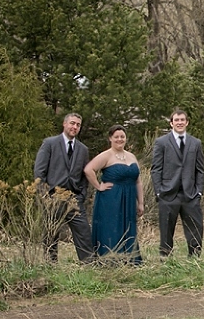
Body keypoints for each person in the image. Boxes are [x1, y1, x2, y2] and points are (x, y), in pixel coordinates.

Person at [33, 113, 94, 263]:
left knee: (84, 232)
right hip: (52, 197)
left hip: (74, 199)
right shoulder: (50, 143)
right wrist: (44, 195)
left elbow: (84, 176)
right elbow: (39, 172)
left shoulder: (83, 149)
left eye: (78, 125)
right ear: (64, 124)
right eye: (72, 123)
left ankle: (88, 265)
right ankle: (50, 265)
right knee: (51, 234)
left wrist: (82, 195)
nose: (75, 127)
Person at [84, 124, 143, 264]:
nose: (119, 139)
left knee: (128, 226)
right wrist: (99, 186)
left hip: (129, 199)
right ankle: (109, 259)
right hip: (111, 198)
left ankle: (128, 258)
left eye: (122, 136)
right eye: (116, 137)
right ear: (110, 138)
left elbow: (138, 182)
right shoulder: (106, 155)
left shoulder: (131, 156)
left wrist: (140, 202)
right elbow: (88, 170)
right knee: (111, 226)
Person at [151, 109, 204, 257]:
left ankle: (194, 260)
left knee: (195, 229)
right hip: (168, 194)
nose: (180, 122)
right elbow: (156, 169)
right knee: (166, 230)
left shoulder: (196, 143)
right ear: (171, 123)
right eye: (177, 120)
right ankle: (165, 260)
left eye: (182, 120)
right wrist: (159, 192)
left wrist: (199, 191)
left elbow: (200, 169)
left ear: (187, 122)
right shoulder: (161, 142)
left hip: (190, 194)